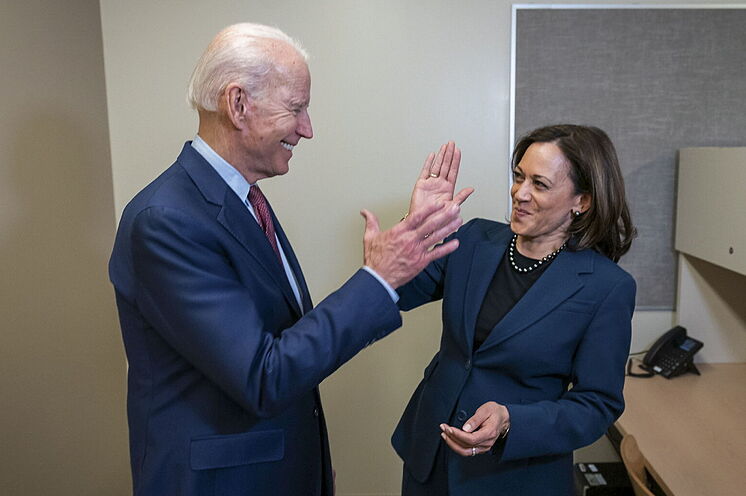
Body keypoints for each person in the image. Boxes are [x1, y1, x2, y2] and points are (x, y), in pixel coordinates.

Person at [109, 23, 470, 496]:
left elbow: (282, 341)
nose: (308, 128)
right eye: (296, 108)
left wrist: (310, 466)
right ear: (238, 104)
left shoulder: (241, 198)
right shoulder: (166, 220)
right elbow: (264, 376)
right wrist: (377, 277)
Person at [392, 124, 637, 496]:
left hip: (514, 476)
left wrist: (511, 421)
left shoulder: (606, 287)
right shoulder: (475, 238)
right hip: (431, 457)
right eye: (519, 177)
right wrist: (416, 228)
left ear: (581, 201)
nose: (519, 193)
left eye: (539, 184)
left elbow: (596, 404)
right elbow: (397, 293)